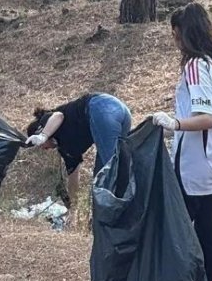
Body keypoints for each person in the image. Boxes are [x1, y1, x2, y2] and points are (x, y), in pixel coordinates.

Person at [151, 2, 212, 281]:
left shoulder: (196, 66)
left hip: (195, 164)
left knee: (180, 230)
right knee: (210, 226)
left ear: (181, 33)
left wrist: (174, 123)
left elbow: (207, 117)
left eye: (174, 34)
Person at [24, 93, 132, 223]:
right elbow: (73, 178)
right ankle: (110, 218)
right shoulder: (66, 149)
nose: (42, 148)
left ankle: (116, 218)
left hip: (101, 108)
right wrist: (73, 210)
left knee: (111, 169)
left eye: (39, 145)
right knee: (106, 170)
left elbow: (58, 116)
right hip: (120, 111)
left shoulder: (49, 121)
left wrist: (43, 136)